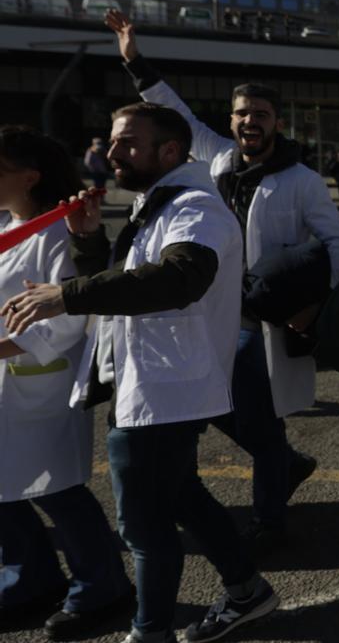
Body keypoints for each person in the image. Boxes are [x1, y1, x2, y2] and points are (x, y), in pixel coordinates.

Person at [3, 104, 277, 643]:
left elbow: (176, 279)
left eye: (127, 143)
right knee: (181, 497)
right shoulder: (159, 204)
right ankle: (248, 590)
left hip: (166, 390)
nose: (111, 153)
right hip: (148, 383)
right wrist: (87, 245)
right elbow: (127, 284)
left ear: (170, 151)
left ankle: (149, 632)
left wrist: (67, 293)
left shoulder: (195, 208)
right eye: (111, 141)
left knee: (144, 528)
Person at [104, 10, 339, 551]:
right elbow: (174, 110)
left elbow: (337, 243)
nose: (249, 123)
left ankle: (268, 517)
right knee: (211, 408)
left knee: (255, 421)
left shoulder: (302, 180)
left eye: (260, 114)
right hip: (207, 312)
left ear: (276, 123)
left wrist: (315, 303)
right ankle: (286, 464)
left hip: (256, 320)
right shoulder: (215, 158)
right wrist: (133, 59)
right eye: (242, 114)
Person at [0, 128, 133, 641]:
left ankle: (102, 587)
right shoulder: (6, 228)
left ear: (29, 177)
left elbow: (66, 322)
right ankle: (28, 580)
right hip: (6, 387)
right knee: (5, 494)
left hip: (41, 387)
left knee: (59, 493)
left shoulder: (56, 234)